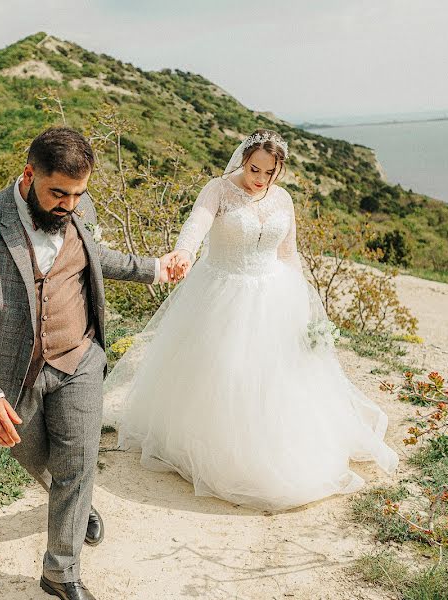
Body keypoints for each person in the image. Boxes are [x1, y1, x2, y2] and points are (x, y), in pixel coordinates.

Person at [0, 127, 179, 600]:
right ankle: (74, 499)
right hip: (15, 375)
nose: (70, 205)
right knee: (37, 458)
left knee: (77, 456)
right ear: (29, 176)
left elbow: (91, 256)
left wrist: (151, 268)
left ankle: (60, 571)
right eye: (58, 193)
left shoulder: (79, 207)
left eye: (78, 194)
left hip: (79, 356)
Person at [103, 129, 400, 511]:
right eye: (253, 167)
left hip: (274, 293)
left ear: (280, 170)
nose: (259, 178)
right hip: (222, 291)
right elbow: (197, 224)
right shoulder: (219, 189)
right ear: (243, 158)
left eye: (268, 172)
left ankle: (273, 446)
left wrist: (304, 302)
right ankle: (218, 449)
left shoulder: (283, 199)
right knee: (226, 372)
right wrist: (183, 253)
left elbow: (289, 253)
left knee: (276, 378)